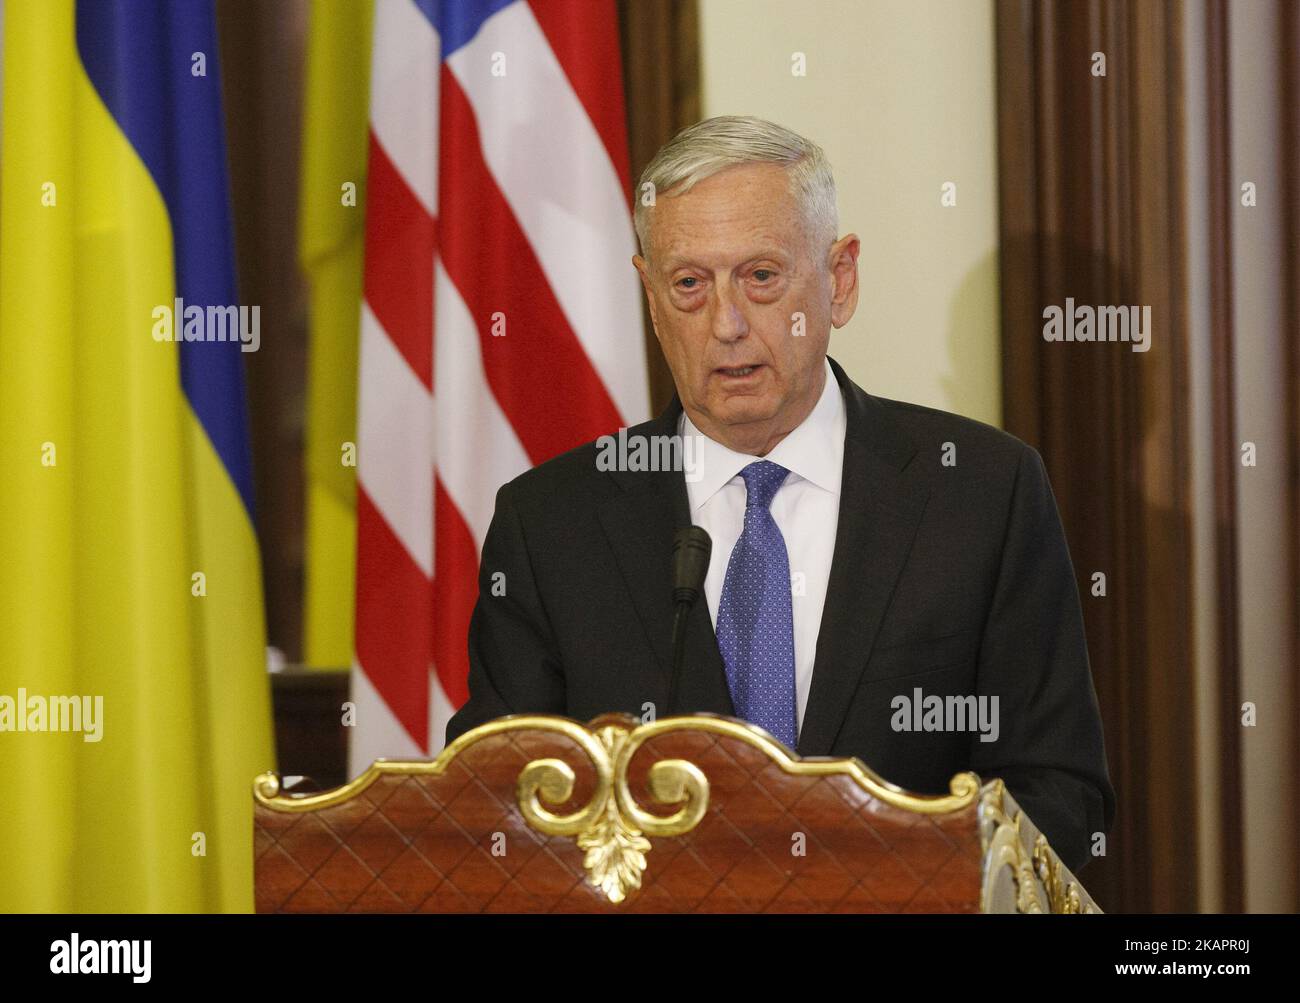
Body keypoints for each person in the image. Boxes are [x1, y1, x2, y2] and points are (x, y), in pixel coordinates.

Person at [445, 115, 1115, 872]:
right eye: (689, 284)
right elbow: (493, 808)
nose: (727, 324)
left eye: (761, 277)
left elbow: (1060, 796)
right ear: (650, 297)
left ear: (839, 280)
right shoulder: (550, 523)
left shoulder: (982, 495)